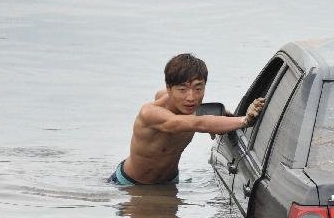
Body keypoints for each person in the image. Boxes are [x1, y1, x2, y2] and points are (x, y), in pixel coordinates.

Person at [109, 53, 265, 185]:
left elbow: (203, 116)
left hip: (170, 184)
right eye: (182, 89)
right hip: (131, 185)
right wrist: (244, 120)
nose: (191, 98)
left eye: (198, 88)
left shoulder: (186, 103)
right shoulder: (149, 114)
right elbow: (199, 123)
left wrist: (223, 115)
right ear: (169, 88)